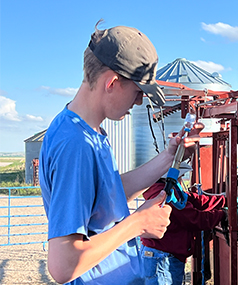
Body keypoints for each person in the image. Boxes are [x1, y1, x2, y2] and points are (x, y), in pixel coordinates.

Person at [39, 20, 200, 285]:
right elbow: (64, 265)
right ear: (112, 82)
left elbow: (106, 197)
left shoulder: (90, 133)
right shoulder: (76, 145)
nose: (138, 102)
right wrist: (137, 223)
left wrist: (168, 158)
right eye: (138, 92)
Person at [140, 162, 226, 285]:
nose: (181, 180)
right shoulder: (166, 195)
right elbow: (194, 219)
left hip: (161, 255)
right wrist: (222, 215)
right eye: (180, 176)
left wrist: (223, 200)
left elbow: (193, 200)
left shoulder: (164, 190)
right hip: (163, 258)